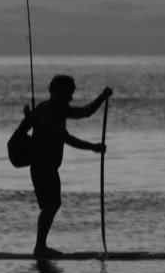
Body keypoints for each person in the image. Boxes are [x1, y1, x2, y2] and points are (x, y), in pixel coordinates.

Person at [17, 75, 112, 257]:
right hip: (43, 167)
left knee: (52, 205)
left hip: (47, 167)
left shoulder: (54, 109)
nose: (71, 98)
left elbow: (86, 112)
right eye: (69, 93)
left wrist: (102, 97)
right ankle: (40, 247)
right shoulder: (48, 112)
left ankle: (40, 246)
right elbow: (66, 138)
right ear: (58, 92)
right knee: (50, 205)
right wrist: (93, 147)